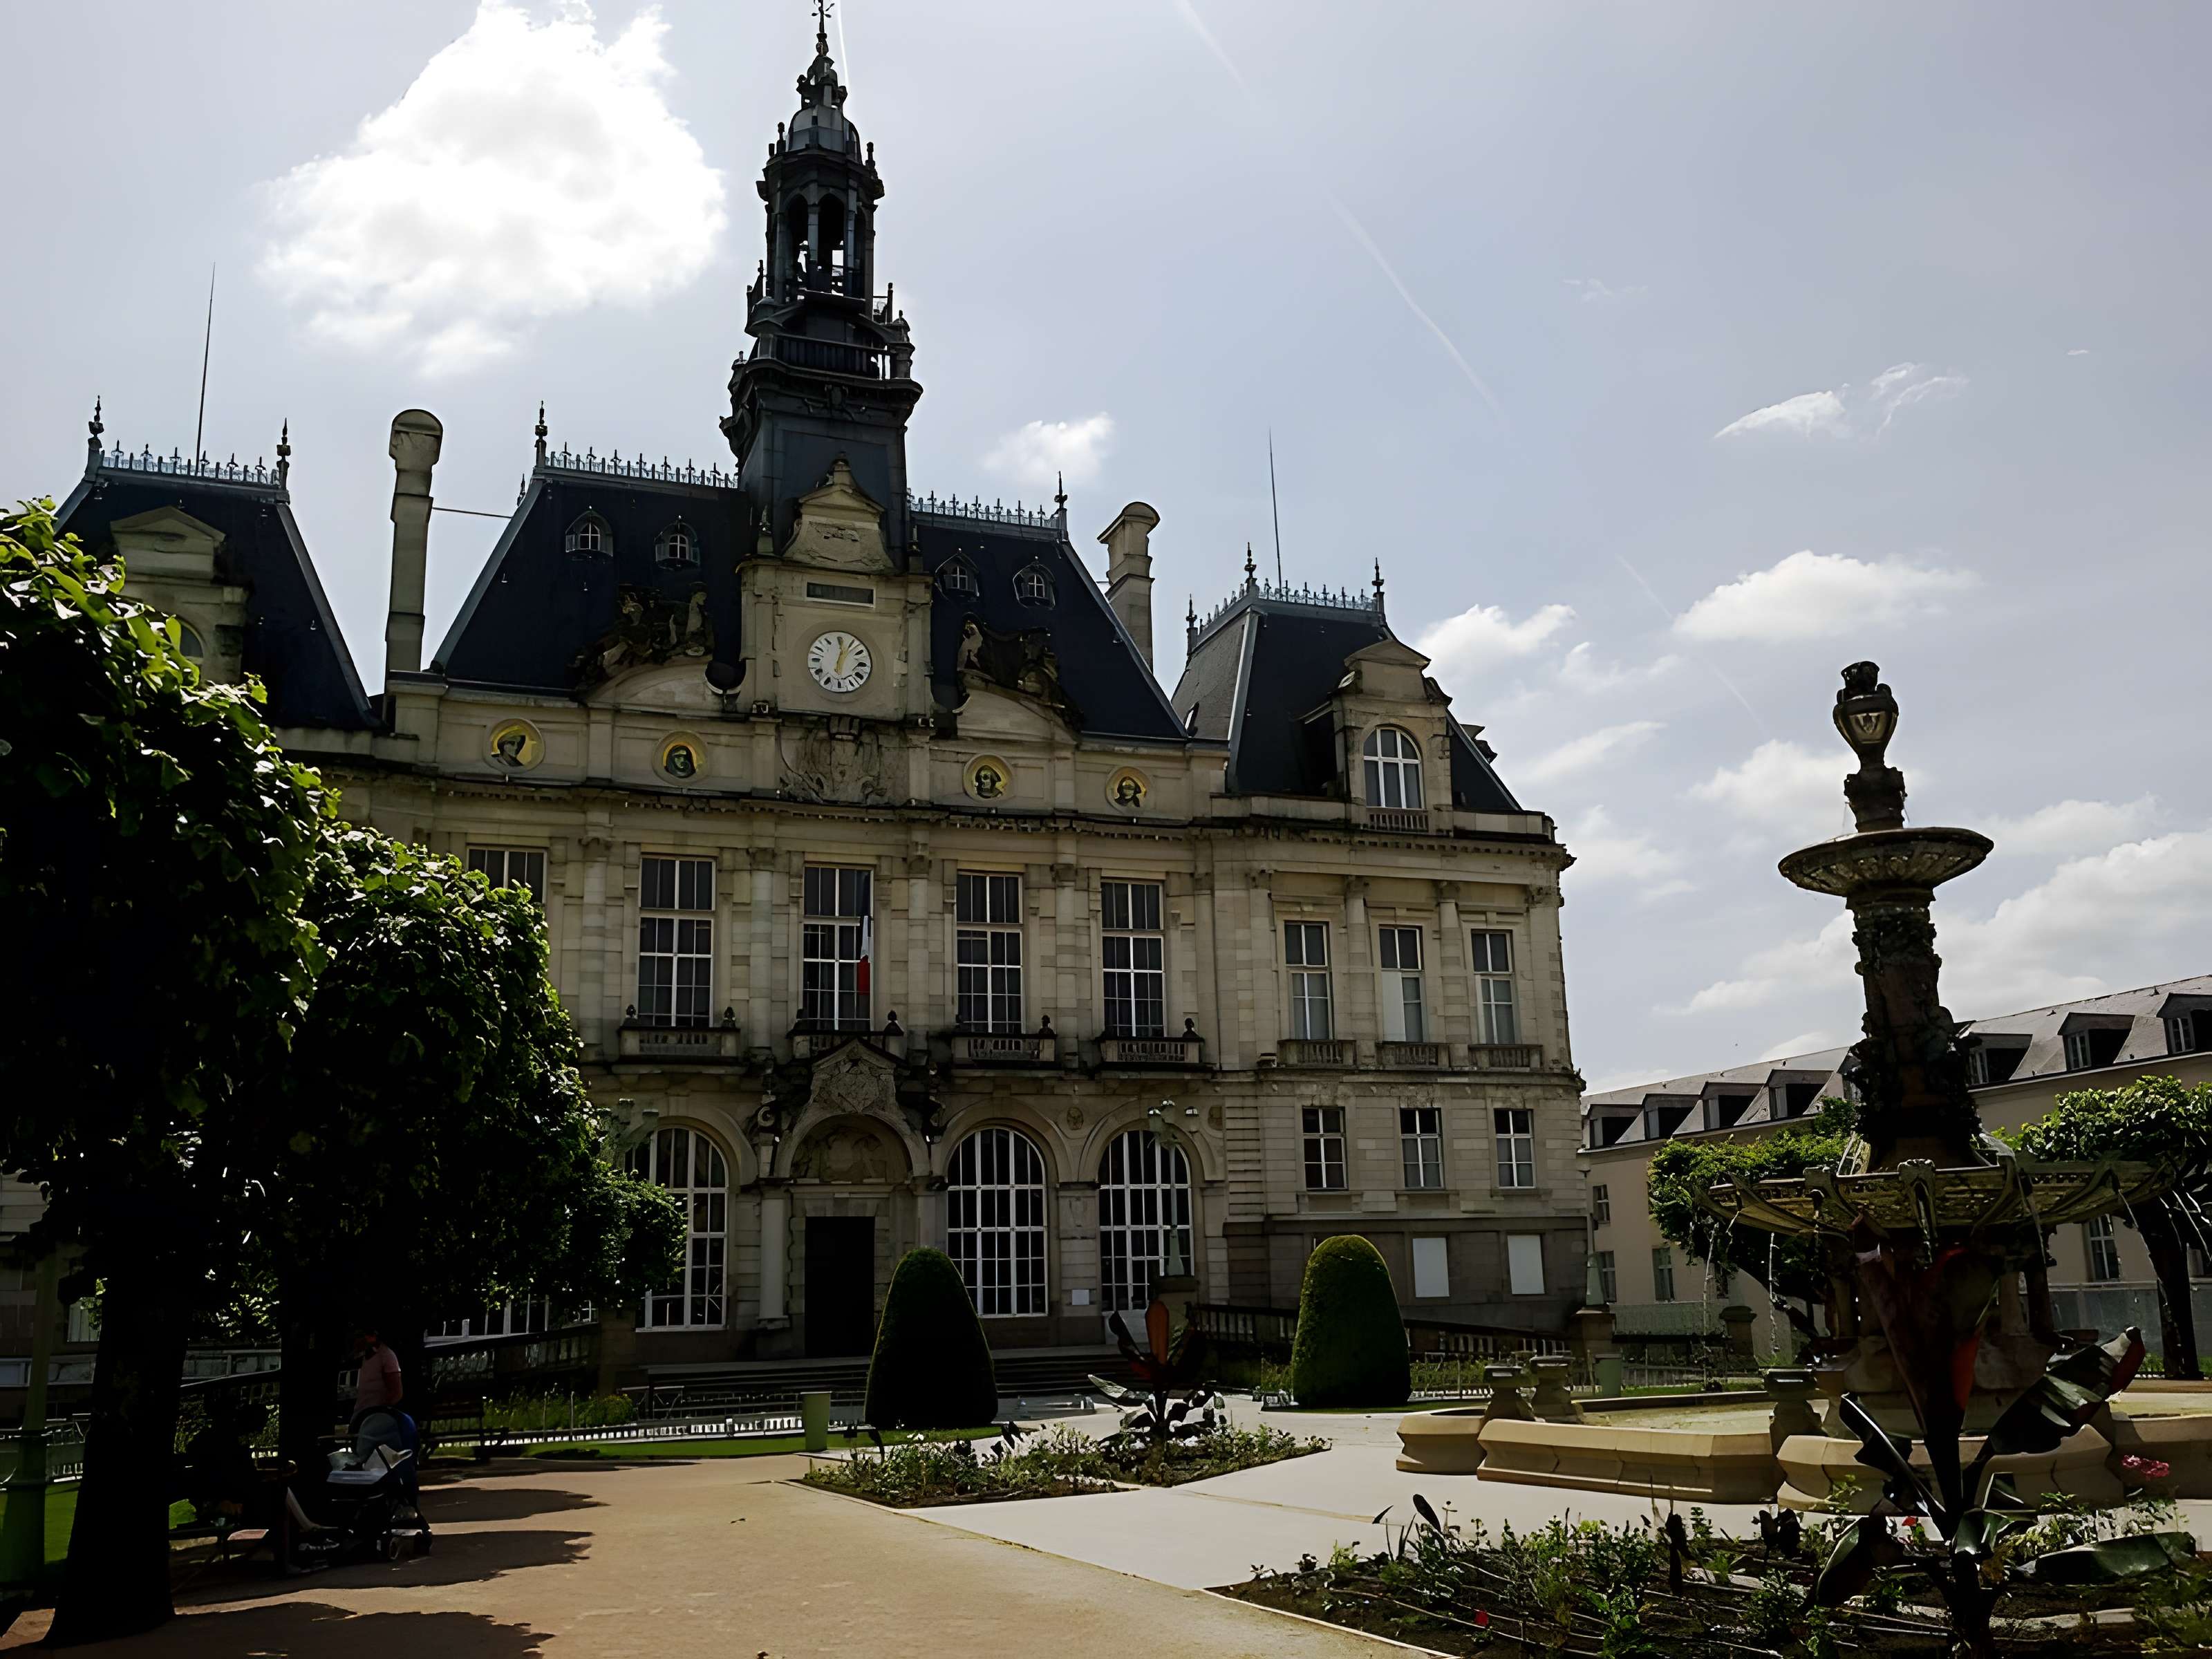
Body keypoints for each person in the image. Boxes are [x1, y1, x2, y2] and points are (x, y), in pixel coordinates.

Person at [350, 1327, 405, 1431]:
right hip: (360, 1417)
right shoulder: (364, 1357)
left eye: (360, 1336)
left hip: (376, 1421)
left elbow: (396, 1393)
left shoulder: (386, 1356)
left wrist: (380, 1414)